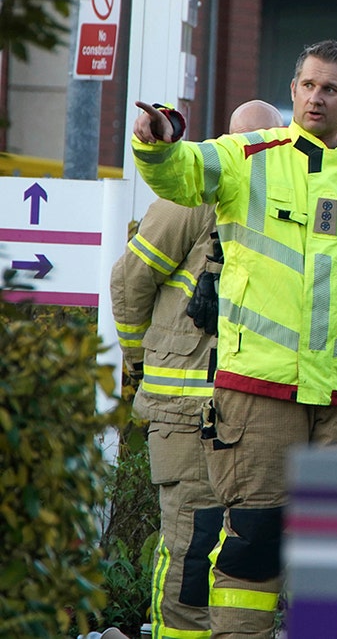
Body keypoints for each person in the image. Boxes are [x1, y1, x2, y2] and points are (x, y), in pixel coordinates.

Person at [130, 39, 337, 638]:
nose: (314, 98)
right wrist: (157, 141)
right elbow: (180, 174)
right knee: (252, 546)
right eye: (306, 85)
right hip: (260, 391)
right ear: (294, 87)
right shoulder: (248, 155)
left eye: (330, 89)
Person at [111, 100, 284, 639]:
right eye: (243, 143)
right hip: (186, 409)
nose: (253, 155)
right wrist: (141, 364)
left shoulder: (281, 203)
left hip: (248, 410)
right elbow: (129, 284)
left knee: (245, 551)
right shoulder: (191, 199)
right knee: (192, 544)